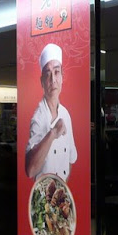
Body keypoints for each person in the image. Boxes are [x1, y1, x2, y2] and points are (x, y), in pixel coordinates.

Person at [25, 43, 77, 181]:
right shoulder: (38, 117)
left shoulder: (65, 114)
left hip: (62, 190)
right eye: (47, 74)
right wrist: (53, 133)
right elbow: (30, 170)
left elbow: (70, 158)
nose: (53, 80)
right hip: (42, 192)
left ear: (62, 77)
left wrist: (62, 188)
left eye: (56, 72)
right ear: (42, 82)